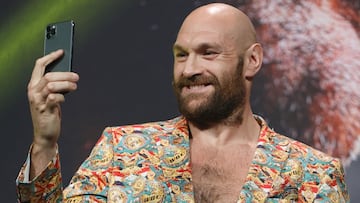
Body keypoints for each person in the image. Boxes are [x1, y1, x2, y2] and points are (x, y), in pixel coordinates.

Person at [16, 3, 349, 203]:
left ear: (252, 61)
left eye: (208, 53)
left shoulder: (314, 174)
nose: (190, 69)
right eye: (181, 55)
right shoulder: (120, 150)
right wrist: (45, 143)